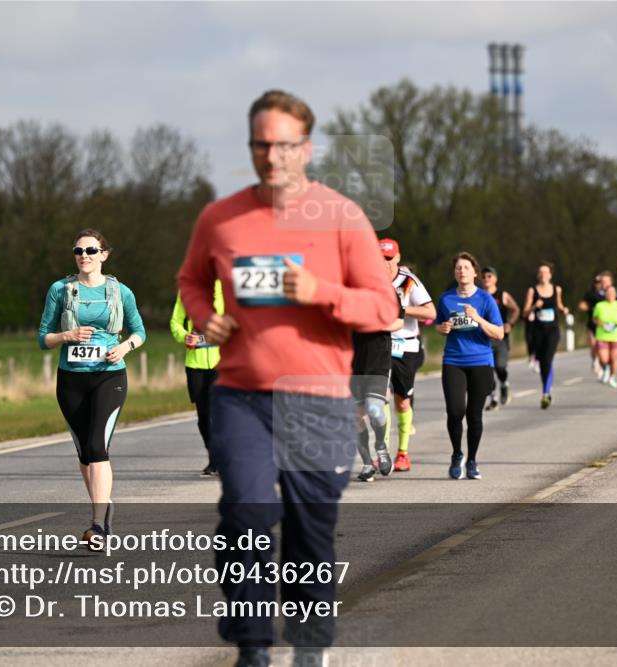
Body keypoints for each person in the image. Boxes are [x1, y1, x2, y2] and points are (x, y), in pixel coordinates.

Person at [177, 90, 398, 667]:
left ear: (306, 147)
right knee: (247, 510)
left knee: (308, 531)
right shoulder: (220, 218)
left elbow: (383, 310)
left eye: (283, 145)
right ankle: (253, 645)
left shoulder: (343, 217)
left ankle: (309, 646)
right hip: (242, 396)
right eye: (260, 144)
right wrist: (207, 318)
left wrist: (320, 293)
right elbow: (191, 281)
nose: (270, 156)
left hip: (319, 400)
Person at [38, 229, 146, 546]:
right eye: (78, 250)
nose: (84, 255)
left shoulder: (121, 292)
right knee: (85, 453)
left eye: (91, 250)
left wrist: (125, 347)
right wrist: (66, 337)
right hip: (71, 379)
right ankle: (103, 504)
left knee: (98, 446)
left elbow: (140, 331)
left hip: (109, 376)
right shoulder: (60, 290)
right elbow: (43, 338)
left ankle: (97, 526)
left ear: (104, 254)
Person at [436, 252, 504, 480]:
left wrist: (478, 319)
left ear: (475, 272)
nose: (461, 271)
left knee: (474, 416)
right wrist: (442, 328)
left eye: (466, 267)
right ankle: (457, 454)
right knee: (455, 411)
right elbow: (438, 324)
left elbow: (499, 333)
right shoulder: (445, 299)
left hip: (480, 362)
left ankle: (472, 461)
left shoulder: (485, 300)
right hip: (453, 360)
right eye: (458, 268)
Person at [381, 238, 435, 472]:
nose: (384, 264)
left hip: (406, 345)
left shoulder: (409, 281)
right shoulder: (368, 279)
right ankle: (381, 451)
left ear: (398, 258)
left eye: (389, 259)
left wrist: (401, 310)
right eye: (380, 258)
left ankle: (403, 452)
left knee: (402, 401)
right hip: (379, 343)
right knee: (379, 396)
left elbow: (430, 311)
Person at [352, 257, 404, 482]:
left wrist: (379, 325)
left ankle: (381, 446)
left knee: (374, 410)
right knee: (357, 418)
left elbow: (399, 321)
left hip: (378, 361)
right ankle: (366, 463)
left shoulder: (387, 292)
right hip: (352, 362)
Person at [171, 281, 224, 476]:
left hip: (222, 361)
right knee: (203, 417)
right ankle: (214, 456)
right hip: (195, 364)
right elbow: (175, 322)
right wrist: (184, 336)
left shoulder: (227, 287)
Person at [521, 261, 569, 409]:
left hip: (553, 330)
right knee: (544, 362)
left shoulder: (557, 289)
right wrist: (535, 306)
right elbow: (525, 312)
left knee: (547, 359)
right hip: (538, 331)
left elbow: (559, 305)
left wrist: (564, 309)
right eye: (540, 273)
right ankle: (546, 391)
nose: (543, 275)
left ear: (550, 274)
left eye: (546, 272)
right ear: (538, 275)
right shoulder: (532, 291)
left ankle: (545, 393)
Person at [481, 266, 519, 409]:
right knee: (487, 370)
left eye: (489, 276)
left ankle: (504, 384)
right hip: (484, 338)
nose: (486, 279)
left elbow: (515, 309)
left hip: (500, 336)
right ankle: (493, 398)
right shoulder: (478, 295)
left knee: (500, 366)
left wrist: (510, 323)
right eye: (484, 276)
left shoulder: (502, 295)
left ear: (495, 279)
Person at [591, 285, 617, 388]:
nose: (610, 295)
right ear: (605, 294)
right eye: (608, 293)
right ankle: (606, 369)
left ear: (615, 294)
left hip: (616, 336)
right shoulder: (599, 305)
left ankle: (612, 377)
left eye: (612, 292)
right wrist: (601, 323)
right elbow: (594, 318)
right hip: (602, 335)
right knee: (603, 359)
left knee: (613, 358)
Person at [579, 273, 610, 374]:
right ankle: (595, 360)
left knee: (601, 346)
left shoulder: (607, 293)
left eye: (600, 282)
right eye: (596, 282)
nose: (598, 284)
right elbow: (582, 305)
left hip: (604, 324)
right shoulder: (590, 294)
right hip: (592, 323)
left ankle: (603, 363)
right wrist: (588, 307)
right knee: (593, 344)